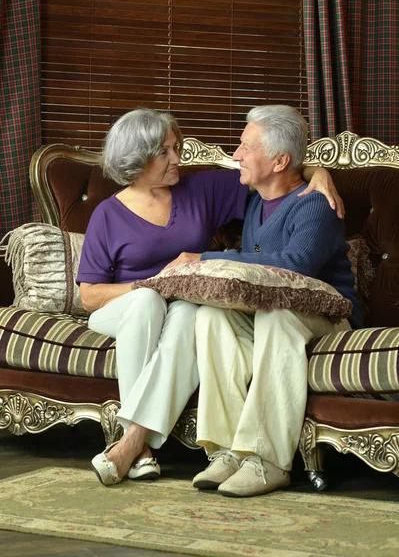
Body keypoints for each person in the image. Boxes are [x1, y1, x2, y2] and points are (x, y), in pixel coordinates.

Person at [76, 106, 345, 487]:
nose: (178, 157)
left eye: (176, 147)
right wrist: (149, 285)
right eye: (165, 151)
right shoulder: (108, 213)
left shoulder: (206, 190)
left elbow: (281, 179)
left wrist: (319, 173)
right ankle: (180, 449)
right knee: (162, 305)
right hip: (127, 305)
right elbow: (89, 296)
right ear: (139, 160)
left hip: (205, 303)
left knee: (194, 312)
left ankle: (138, 439)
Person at [165, 105, 363, 498]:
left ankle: (267, 460)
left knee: (277, 317)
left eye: (244, 146)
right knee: (211, 317)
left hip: (326, 315)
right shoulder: (253, 197)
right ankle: (225, 452)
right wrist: (315, 168)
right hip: (266, 309)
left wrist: (206, 258)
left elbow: (297, 265)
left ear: (279, 160)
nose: (235, 154)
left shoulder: (314, 205)